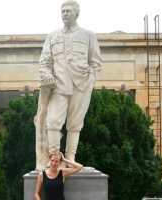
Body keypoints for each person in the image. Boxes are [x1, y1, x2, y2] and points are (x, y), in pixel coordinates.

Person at [37, 0, 102, 167]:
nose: (65, 14)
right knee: (52, 122)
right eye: (63, 11)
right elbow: (44, 61)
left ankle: (70, 158)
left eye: (68, 11)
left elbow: (96, 62)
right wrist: (47, 76)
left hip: (81, 85)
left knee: (75, 124)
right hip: (58, 86)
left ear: (76, 14)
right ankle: (54, 159)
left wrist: (90, 81)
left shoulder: (88, 35)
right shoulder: (52, 36)